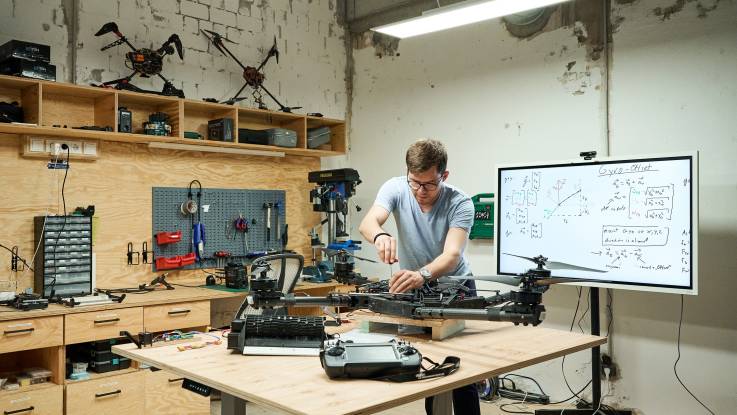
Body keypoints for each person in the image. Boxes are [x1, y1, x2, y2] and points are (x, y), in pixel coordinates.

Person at [358, 138, 480, 415]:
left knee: (465, 369)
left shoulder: (460, 203)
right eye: (415, 182)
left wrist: (422, 274)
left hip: (456, 286)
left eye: (429, 184)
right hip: (414, 285)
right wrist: (380, 235)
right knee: (426, 363)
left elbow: (452, 255)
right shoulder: (396, 187)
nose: (420, 191)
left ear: (443, 176)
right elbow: (368, 222)